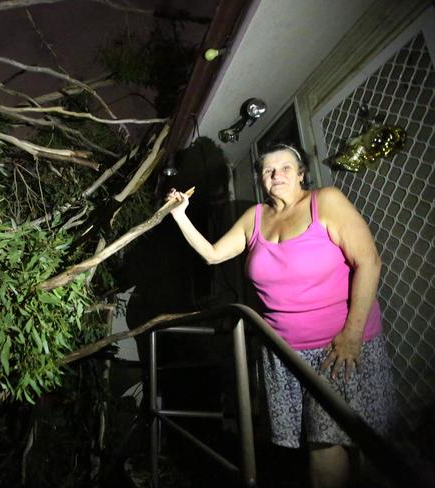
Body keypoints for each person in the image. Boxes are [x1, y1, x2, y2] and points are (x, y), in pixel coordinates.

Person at [166, 143, 395, 488]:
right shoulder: (255, 217)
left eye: (286, 167)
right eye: (268, 170)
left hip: (338, 347)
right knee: (324, 441)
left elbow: (369, 262)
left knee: (332, 441)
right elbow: (213, 255)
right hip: (284, 355)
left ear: (302, 173)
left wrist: (351, 336)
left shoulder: (325, 202)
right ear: (260, 179)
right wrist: (180, 215)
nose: (277, 175)